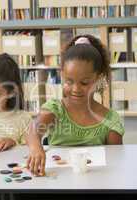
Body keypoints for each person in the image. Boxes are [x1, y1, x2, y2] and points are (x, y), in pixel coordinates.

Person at [26, 35, 125, 176]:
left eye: (84, 83)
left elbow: (116, 162)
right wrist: (36, 148)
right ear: (62, 76)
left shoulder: (110, 120)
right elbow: (33, 130)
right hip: (59, 183)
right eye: (69, 81)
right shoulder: (55, 109)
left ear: (99, 79)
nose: (75, 89)